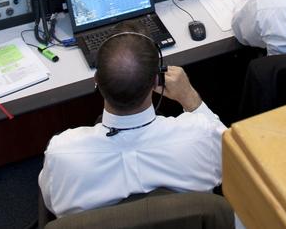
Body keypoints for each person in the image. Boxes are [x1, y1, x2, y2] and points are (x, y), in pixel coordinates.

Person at [38, 30, 224, 216]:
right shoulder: (201, 136)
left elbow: (52, 204)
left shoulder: (61, 154)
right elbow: (234, 158)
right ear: (156, 81)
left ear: (97, 82)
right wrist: (189, 96)